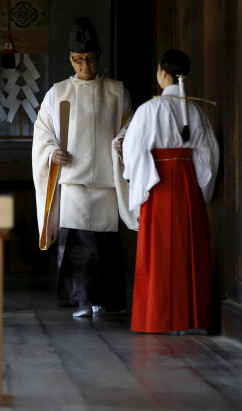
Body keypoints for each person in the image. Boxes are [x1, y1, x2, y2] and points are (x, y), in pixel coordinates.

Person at [32, 17, 136, 317]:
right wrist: (52, 152)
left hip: (106, 180)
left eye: (90, 59)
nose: (85, 66)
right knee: (76, 244)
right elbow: (43, 133)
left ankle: (104, 299)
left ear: (99, 57)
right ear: (70, 59)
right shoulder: (57, 92)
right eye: (78, 60)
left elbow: (130, 128)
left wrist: (121, 142)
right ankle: (80, 299)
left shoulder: (117, 91)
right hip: (74, 181)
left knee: (104, 245)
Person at [122, 49, 219, 334]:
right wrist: (202, 188)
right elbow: (208, 155)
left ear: (163, 72)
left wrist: (140, 186)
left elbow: (134, 151)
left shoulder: (150, 110)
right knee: (188, 247)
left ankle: (158, 317)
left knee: (159, 252)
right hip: (187, 184)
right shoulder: (196, 111)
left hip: (159, 184)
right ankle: (189, 319)